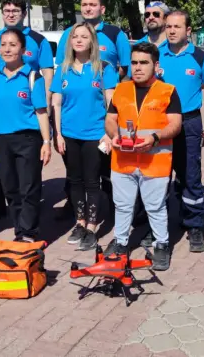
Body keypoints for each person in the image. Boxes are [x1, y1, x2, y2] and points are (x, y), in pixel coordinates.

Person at [0, 0, 55, 223]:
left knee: (27, 176)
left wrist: (45, 104)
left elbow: (47, 73)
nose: (10, 14)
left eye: (15, 10)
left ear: (24, 13)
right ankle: (0, 204)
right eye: (7, 10)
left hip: (26, 111)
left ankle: (27, 223)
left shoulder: (38, 41)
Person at [104, 43, 182, 271]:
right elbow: (110, 118)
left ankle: (162, 244)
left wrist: (156, 138)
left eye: (144, 63)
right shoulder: (121, 89)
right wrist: (113, 134)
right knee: (122, 205)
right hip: (123, 160)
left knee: (155, 207)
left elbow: (176, 124)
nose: (137, 68)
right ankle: (120, 242)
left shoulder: (168, 91)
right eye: (134, 62)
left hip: (155, 161)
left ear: (155, 65)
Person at [158, 10, 204, 253]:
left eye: (177, 27)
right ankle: (160, 225)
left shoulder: (200, 57)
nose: (172, 30)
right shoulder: (156, 55)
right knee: (159, 175)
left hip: (189, 122)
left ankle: (195, 225)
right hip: (159, 123)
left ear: (188, 31)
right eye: (169, 26)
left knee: (190, 174)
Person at [50, 23, 118, 250]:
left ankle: (91, 226)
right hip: (69, 134)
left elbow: (111, 103)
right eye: (75, 37)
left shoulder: (103, 68)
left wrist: (109, 134)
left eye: (84, 37)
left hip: (95, 135)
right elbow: (56, 103)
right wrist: (57, 134)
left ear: (92, 42)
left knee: (92, 181)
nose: (79, 40)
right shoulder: (62, 69)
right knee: (74, 180)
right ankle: (79, 222)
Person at [0, 28, 53, 242]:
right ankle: (19, 228)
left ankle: (28, 232)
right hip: (1, 140)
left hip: (28, 139)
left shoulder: (32, 77)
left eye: (13, 45)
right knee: (10, 188)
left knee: (29, 187)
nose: (7, 49)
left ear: (23, 49)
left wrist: (46, 142)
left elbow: (41, 112)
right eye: (3, 44)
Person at [56, 0, 132, 78]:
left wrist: (111, 81)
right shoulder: (69, 33)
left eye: (92, 5)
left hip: (106, 90)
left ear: (102, 9)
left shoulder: (115, 33)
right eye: (84, 5)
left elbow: (126, 66)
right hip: (74, 90)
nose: (88, 9)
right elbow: (60, 67)